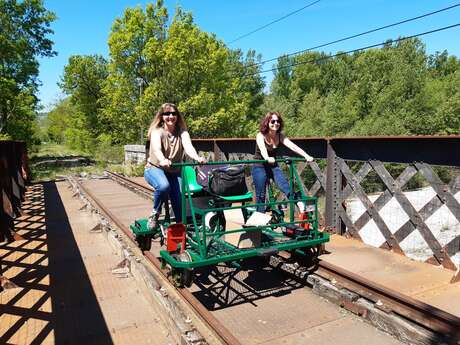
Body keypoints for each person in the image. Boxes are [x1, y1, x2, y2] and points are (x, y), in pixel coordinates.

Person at [145, 103, 205, 229]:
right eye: (167, 114)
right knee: (163, 186)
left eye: (173, 113)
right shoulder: (157, 132)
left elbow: (188, 146)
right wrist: (162, 159)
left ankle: (181, 228)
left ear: (177, 116)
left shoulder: (182, 132)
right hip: (155, 168)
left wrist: (197, 157)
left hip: (173, 171)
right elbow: (156, 149)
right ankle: (155, 213)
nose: (170, 116)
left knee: (179, 197)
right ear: (162, 116)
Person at [252, 111, 314, 212]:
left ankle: (298, 202)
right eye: (273, 121)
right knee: (261, 195)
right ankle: (260, 219)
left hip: (272, 166)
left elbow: (293, 146)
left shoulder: (280, 136)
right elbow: (263, 149)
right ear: (267, 122)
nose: (276, 123)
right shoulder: (260, 135)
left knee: (284, 185)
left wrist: (306, 155)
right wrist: (267, 158)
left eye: (278, 121)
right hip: (260, 166)